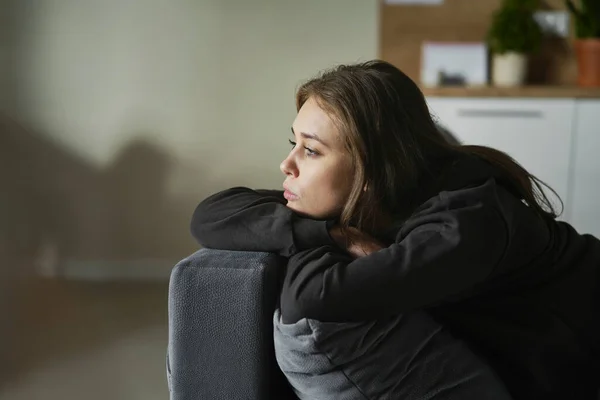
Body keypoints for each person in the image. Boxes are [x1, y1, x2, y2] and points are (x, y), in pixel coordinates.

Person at [190, 60, 600, 399]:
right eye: (293, 143)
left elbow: (311, 298)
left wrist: (319, 233)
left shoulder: (463, 225)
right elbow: (212, 214)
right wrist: (336, 234)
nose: (288, 164)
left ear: (369, 169)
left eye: (311, 150)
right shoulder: (376, 199)